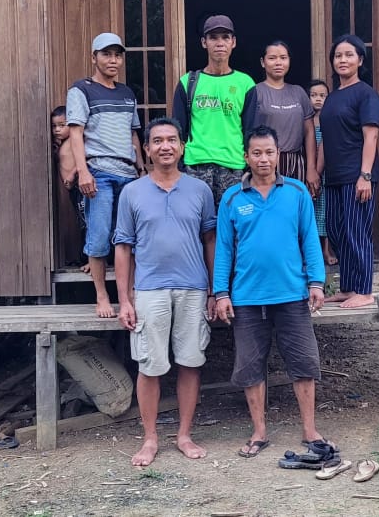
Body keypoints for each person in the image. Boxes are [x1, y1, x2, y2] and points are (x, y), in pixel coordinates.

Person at [213, 126, 329, 458]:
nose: (264, 159)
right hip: (247, 298)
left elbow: (309, 239)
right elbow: (224, 249)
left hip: (292, 294)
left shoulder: (296, 192)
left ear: (278, 155)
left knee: (304, 362)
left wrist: (316, 283)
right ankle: (259, 432)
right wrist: (221, 292)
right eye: (257, 153)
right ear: (246, 157)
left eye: (270, 152)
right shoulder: (233, 199)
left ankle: (309, 430)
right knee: (250, 365)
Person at [114, 117, 217, 466]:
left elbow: (210, 241)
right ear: (146, 149)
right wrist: (124, 300)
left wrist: (214, 291)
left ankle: (184, 435)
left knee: (190, 362)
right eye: (157, 141)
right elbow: (123, 247)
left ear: (182, 146)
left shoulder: (200, 190)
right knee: (150, 365)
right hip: (149, 290)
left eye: (172, 140)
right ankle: (150, 438)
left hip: (193, 288)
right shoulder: (132, 192)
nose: (165, 146)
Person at [67, 32, 146, 318]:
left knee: (130, 237)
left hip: (128, 173)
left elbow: (134, 135)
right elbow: (76, 133)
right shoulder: (81, 90)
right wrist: (84, 171)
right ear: (94, 58)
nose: (113, 60)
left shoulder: (126, 93)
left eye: (117, 55)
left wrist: (141, 168)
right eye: (106, 54)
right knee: (99, 236)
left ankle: (128, 294)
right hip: (99, 171)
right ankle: (101, 296)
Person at [320, 35, 379, 309]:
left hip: (358, 176)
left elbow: (371, 137)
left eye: (348, 55)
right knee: (336, 230)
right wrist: (315, 172)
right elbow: (325, 139)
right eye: (338, 56)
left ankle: (365, 290)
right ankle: (348, 287)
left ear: (360, 60)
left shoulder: (366, 94)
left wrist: (365, 175)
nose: (342, 60)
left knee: (357, 232)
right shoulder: (333, 97)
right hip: (333, 177)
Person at [172, 15, 255, 206]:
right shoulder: (189, 82)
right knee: (196, 226)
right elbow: (177, 129)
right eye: (213, 37)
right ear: (204, 42)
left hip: (233, 166)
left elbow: (250, 130)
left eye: (225, 37)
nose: (220, 43)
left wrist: (249, 167)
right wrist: (179, 166)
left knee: (231, 227)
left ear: (233, 42)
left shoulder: (245, 83)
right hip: (196, 166)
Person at [243, 41, 318, 193]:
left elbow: (309, 132)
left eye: (283, 58)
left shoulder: (299, 93)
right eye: (272, 58)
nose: (278, 62)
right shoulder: (255, 92)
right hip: (266, 161)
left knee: (294, 207)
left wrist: (311, 168)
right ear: (263, 62)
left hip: (296, 161)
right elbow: (247, 130)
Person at [51, 106, 88, 272]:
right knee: (79, 222)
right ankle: (81, 256)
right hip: (72, 191)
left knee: (86, 222)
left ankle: (89, 258)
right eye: (54, 126)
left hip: (81, 187)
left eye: (62, 125)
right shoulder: (63, 144)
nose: (57, 130)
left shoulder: (77, 141)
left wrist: (73, 174)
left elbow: (85, 158)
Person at [308, 79, 337, 265]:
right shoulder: (306, 120)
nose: (318, 99)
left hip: (327, 172)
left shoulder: (330, 119)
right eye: (313, 95)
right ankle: (312, 252)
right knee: (310, 210)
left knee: (325, 212)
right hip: (309, 170)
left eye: (322, 95)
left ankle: (326, 251)